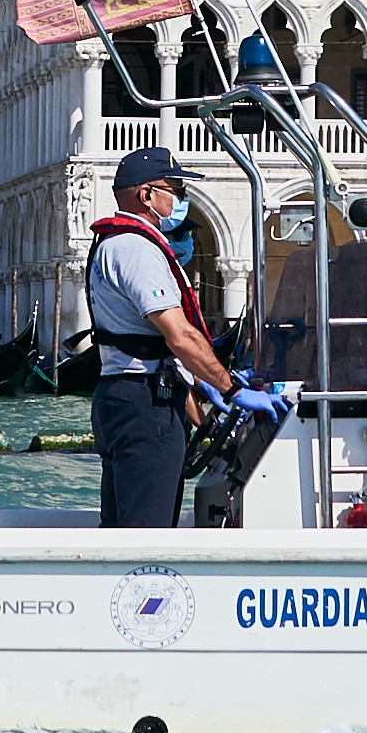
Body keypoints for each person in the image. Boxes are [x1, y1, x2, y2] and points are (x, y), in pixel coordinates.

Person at [86, 146, 235, 528]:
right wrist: (232, 389)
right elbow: (179, 337)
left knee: (123, 525)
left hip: (127, 395)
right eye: (175, 188)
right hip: (143, 405)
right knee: (146, 534)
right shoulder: (136, 249)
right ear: (148, 195)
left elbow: (161, 358)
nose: (181, 198)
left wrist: (203, 418)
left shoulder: (116, 243)